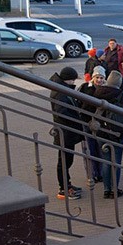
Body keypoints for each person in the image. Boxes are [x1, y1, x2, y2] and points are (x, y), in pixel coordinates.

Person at [94, 70, 123, 199]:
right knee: (116, 162)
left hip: (101, 131)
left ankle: (106, 189)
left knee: (105, 161)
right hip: (117, 133)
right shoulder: (119, 94)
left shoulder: (98, 92)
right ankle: (114, 189)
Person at [50, 66, 84, 200]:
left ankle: (67, 185)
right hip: (65, 132)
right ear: (67, 79)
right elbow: (62, 112)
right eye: (73, 80)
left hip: (66, 132)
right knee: (64, 161)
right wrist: (78, 120)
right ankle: (63, 189)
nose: (74, 83)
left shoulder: (61, 89)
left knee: (66, 160)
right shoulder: (60, 93)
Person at [78, 65, 106, 183]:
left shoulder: (106, 89)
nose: (99, 80)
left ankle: (101, 173)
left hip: (100, 125)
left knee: (100, 149)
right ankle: (92, 174)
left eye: (101, 77)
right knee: (90, 149)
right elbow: (80, 104)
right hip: (87, 122)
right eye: (97, 77)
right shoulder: (85, 87)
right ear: (93, 77)